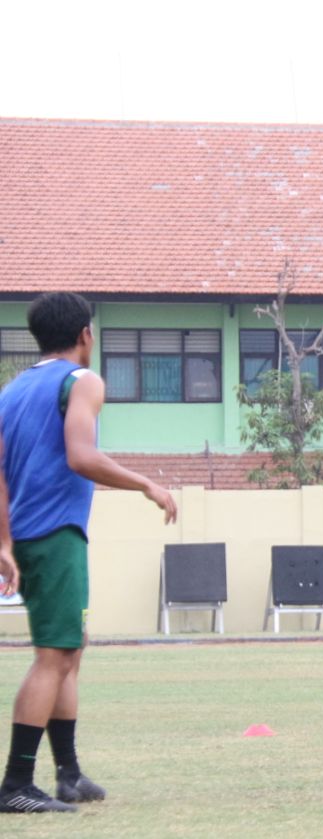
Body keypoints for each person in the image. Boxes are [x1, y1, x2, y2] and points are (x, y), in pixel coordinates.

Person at [0, 292, 177, 814]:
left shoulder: (11, 392)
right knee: (53, 657)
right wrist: (146, 483)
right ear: (86, 335)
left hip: (32, 537)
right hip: (55, 534)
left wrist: (4, 543)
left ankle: (69, 774)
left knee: (70, 652)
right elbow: (81, 455)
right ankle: (15, 784)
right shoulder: (83, 381)